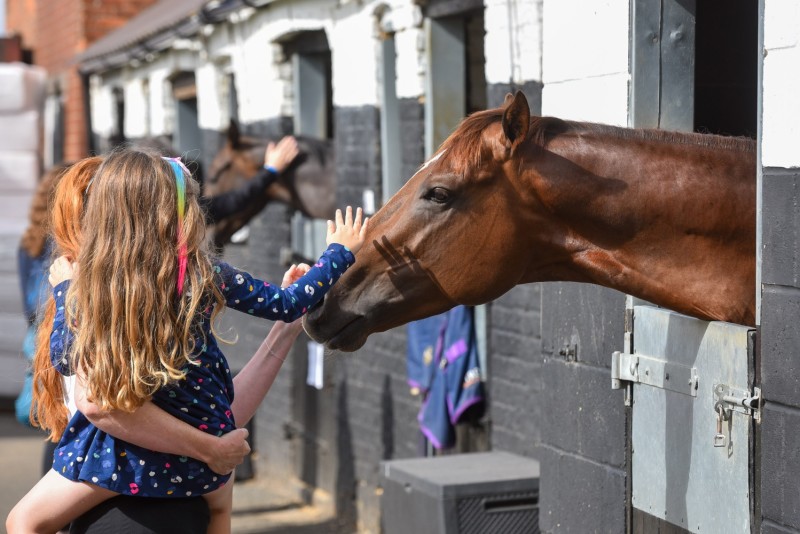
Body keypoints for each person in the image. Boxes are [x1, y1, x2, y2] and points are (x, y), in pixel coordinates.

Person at [6, 148, 368, 534]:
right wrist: (338, 254)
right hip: (198, 461)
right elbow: (287, 303)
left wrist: (63, 293)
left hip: (118, 460)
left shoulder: (94, 290)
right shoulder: (204, 274)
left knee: (22, 521)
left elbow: (66, 360)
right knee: (219, 511)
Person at [15, 163, 71, 427]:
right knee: (65, 420)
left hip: (36, 332)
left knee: (52, 421)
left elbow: (27, 300)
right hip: (60, 328)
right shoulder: (64, 243)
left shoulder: (28, 242)